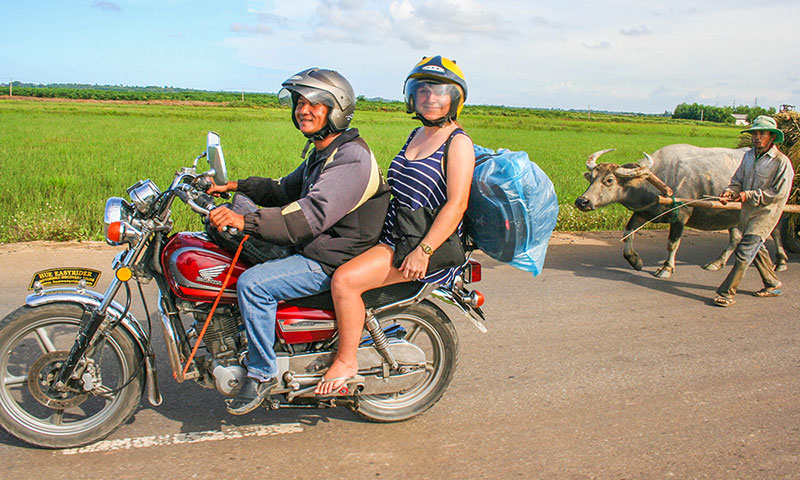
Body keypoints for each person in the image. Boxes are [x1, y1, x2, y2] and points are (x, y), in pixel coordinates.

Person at [207, 68, 391, 414]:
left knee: (253, 285)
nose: (303, 110)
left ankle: (262, 373)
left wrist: (244, 221)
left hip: (333, 255)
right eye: (299, 102)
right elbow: (282, 190)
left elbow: (308, 217)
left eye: (314, 104)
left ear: (335, 109)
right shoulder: (324, 152)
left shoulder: (351, 158)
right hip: (317, 243)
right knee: (232, 229)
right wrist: (234, 188)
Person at [315, 55, 475, 395]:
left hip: (415, 245)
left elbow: (456, 204)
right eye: (423, 90)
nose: (430, 98)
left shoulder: (457, 143)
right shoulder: (417, 133)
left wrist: (423, 251)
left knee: (344, 282)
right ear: (412, 96)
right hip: (391, 233)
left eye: (439, 91)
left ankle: (346, 360)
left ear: (455, 99)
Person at [713, 115, 794, 307]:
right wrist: (730, 191)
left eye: (762, 133)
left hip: (767, 213)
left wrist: (748, 195)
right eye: (755, 133)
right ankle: (772, 283)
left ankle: (727, 293)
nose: (757, 137)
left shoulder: (782, 162)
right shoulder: (748, 156)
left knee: (745, 250)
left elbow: (777, 194)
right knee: (757, 248)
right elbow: (737, 180)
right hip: (747, 212)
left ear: (772, 137)